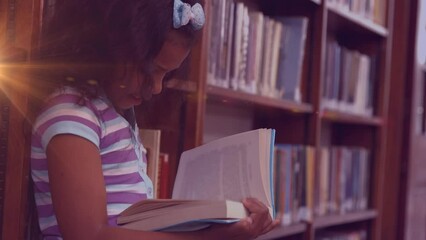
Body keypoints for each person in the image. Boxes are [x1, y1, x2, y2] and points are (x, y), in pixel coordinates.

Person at [30, 0, 280, 239]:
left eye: (167, 74)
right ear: (108, 45)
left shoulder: (116, 114)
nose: (158, 87)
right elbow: (89, 235)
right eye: (150, 70)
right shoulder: (72, 113)